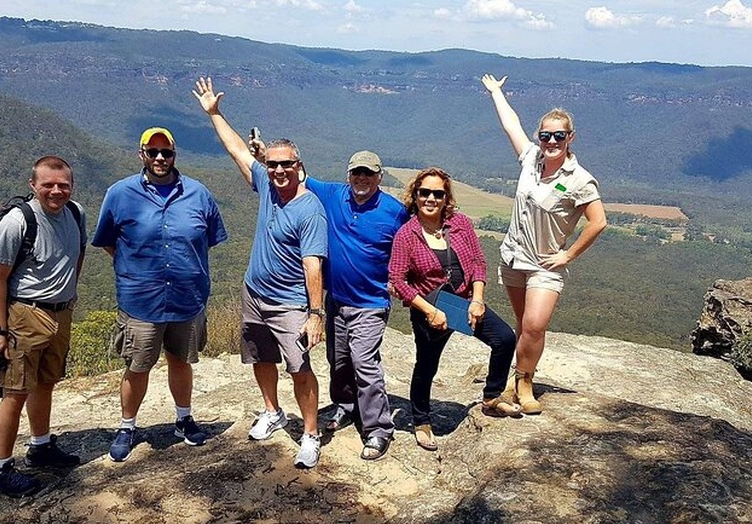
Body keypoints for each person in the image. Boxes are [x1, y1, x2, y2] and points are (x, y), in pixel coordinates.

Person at [192, 77, 328, 469]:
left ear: (299, 167)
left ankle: (311, 433)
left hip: (290, 304)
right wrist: (215, 113)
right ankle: (273, 411)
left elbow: (313, 265)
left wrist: (316, 315)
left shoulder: (310, 209)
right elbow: (236, 149)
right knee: (260, 358)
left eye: (287, 164)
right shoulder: (268, 187)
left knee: (300, 368)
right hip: (254, 294)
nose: (280, 170)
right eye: (273, 164)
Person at [92, 127, 228, 462]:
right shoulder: (120, 193)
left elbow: (206, 239)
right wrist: (136, 267)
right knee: (138, 366)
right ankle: (127, 426)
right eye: (152, 152)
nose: (159, 159)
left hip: (187, 298)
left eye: (165, 153)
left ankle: (183, 418)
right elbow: (108, 241)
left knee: (181, 362)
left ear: (174, 155)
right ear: (141, 154)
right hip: (141, 301)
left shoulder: (198, 194)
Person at [481, 74, 607, 415]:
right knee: (523, 324)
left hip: (545, 263)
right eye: (546, 135)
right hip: (513, 257)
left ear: (570, 138)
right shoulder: (531, 160)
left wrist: (568, 254)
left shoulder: (579, 180)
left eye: (558, 135)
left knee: (535, 324)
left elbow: (598, 221)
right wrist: (496, 93)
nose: (551, 140)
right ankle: (516, 378)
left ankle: (525, 381)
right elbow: (511, 126)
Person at [389, 167, 518, 451]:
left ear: (446, 197)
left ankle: (492, 396)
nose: (431, 199)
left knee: (505, 339)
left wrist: (478, 299)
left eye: (438, 193)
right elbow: (398, 280)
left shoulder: (460, 224)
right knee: (427, 365)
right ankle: (421, 421)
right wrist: (429, 311)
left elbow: (477, 262)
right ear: (416, 195)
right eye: (425, 193)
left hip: (463, 302)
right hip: (430, 308)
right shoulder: (407, 235)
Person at [0, 155, 87, 497]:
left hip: (60, 312)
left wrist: (67, 294)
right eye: (48, 185)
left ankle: (41, 446)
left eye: (63, 185)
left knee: (46, 382)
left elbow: (78, 252)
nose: (56, 191)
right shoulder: (17, 222)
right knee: (15, 393)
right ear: (33, 185)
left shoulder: (75, 213)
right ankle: (2, 469)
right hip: (25, 314)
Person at [305, 151, 409, 461]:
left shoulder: (394, 211)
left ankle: (378, 429)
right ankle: (347, 405)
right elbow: (297, 175)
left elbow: (411, 245)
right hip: (336, 300)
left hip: (371, 303)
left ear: (379, 176)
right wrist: (259, 155)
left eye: (368, 174)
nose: (361, 179)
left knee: (364, 361)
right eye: (356, 173)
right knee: (338, 361)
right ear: (348, 175)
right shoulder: (335, 195)